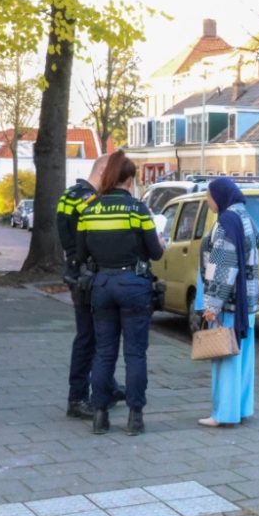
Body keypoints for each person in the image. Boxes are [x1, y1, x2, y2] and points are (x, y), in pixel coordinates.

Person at [77, 150, 164, 435]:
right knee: (135, 354)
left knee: (104, 353)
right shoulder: (138, 210)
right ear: (129, 178)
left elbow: (80, 254)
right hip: (133, 285)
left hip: (101, 286)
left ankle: (100, 416)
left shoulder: (89, 209)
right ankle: (135, 417)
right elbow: (156, 252)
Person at [56, 155, 124, 420]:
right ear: (103, 170)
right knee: (89, 338)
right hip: (89, 274)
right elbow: (99, 238)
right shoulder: (90, 200)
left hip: (78, 272)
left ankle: (107, 387)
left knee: (95, 336)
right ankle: (78, 398)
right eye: (115, 174)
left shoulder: (70, 194)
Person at [198, 177, 259, 428]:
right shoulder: (248, 219)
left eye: (209, 195)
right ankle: (242, 408)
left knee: (226, 358)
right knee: (243, 358)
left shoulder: (225, 224)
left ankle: (224, 413)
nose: (207, 199)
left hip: (231, 305)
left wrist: (212, 306)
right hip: (248, 303)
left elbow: (222, 266)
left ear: (221, 196)